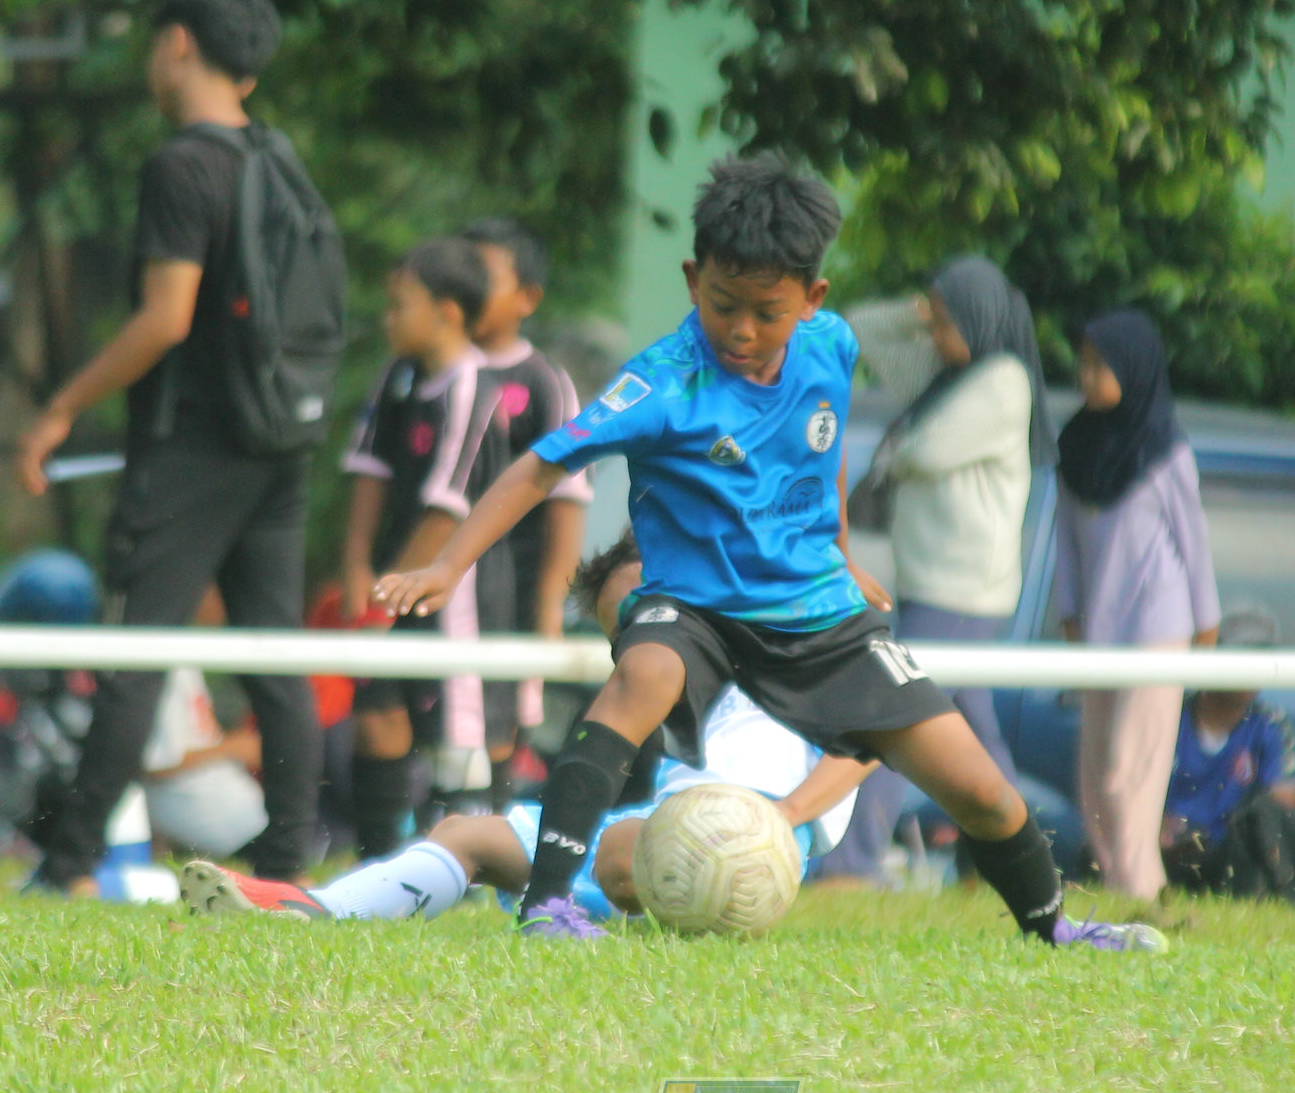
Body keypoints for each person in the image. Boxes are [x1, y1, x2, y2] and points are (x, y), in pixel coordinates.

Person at [377, 155, 1160, 949]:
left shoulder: (831, 347)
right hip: (695, 607)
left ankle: (1056, 927)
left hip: (815, 612)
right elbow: (542, 464)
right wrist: (448, 565)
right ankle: (547, 905)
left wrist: (842, 552)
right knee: (644, 673)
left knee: (984, 792)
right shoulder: (661, 384)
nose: (742, 331)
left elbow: (817, 451)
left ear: (812, 300)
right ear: (692, 279)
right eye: (723, 305)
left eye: (767, 311)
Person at [180, 532, 910, 933]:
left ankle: (568, 913)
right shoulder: (663, 692)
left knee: (629, 848)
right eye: (623, 631)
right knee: (471, 832)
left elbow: (870, 735)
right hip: (668, 825)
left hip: (754, 837)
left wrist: (780, 818)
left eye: (654, 610)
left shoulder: (785, 639)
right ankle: (319, 913)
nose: (647, 639)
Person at [12, 0, 326, 893]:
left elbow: (166, 318)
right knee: (275, 652)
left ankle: (65, 867)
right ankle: (285, 866)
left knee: (135, 650)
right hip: (279, 435)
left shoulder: (184, 163)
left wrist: (61, 406)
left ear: (178, 43)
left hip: (194, 445)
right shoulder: (277, 158)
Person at [821, 255, 1053, 882]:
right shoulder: (951, 376)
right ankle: (1028, 855)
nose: (935, 336)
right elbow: (865, 327)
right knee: (972, 733)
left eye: (948, 322)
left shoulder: (1001, 379)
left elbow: (929, 450)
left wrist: (893, 451)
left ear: (980, 321)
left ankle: (854, 858)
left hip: (962, 589)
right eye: (936, 321)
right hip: (934, 583)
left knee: (896, 716)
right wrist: (920, 309)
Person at [339, 238, 506, 857]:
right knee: (377, 714)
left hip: (451, 593)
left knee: (456, 735)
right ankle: (377, 859)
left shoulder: (471, 389)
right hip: (395, 583)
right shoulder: (397, 377)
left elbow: (447, 507)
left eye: (398, 304)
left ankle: (466, 864)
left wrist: (392, 599)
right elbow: (368, 470)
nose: (388, 318)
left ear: (448, 311)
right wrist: (358, 566)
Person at [1054, 308, 1220, 901]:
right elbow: (1066, 541)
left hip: (1158, 628)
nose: (1087, 374)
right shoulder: (1074, 445)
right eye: (1084, 362)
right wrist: (1069, 614)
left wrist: (1206, 628)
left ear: (1135, 368)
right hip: (1099, 629)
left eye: (1102, 365)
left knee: (1131, 772)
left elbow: (1194, 545)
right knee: (1095, 776)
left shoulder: (1166, 453)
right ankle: (1118, 883)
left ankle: (1140, 895)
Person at [459, 217, 592, 796]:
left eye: (481, 277)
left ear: (527, 298)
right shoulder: (422, 370)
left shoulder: (542, 382)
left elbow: (565, 504)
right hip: (432, 581)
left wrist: (547, 613)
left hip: (505, 586)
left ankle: (487, 828)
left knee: (496, 714)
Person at [1160, 607, 1295, 884]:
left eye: (1263, 658)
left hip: (1236, 860)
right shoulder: (1170, 718)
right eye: (1242, 656)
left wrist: (1237, 829)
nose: (1253, 669)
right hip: (1167, 853)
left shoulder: (1272, 725)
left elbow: (1285, 803)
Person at [138, 590, 268, 860]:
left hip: (238, 816)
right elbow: (154, 766)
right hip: (214, 823)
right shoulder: (163, 665)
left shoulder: (185, 658)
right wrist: (233, 747)